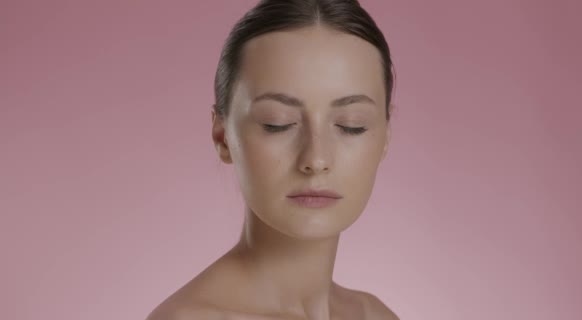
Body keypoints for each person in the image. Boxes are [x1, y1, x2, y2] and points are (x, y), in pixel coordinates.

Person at [147, 0, 398, 319]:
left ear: (386, 137)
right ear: (222, 136)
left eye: (352, 125)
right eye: (276, 123)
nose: (316, 159)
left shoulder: (375, 315)